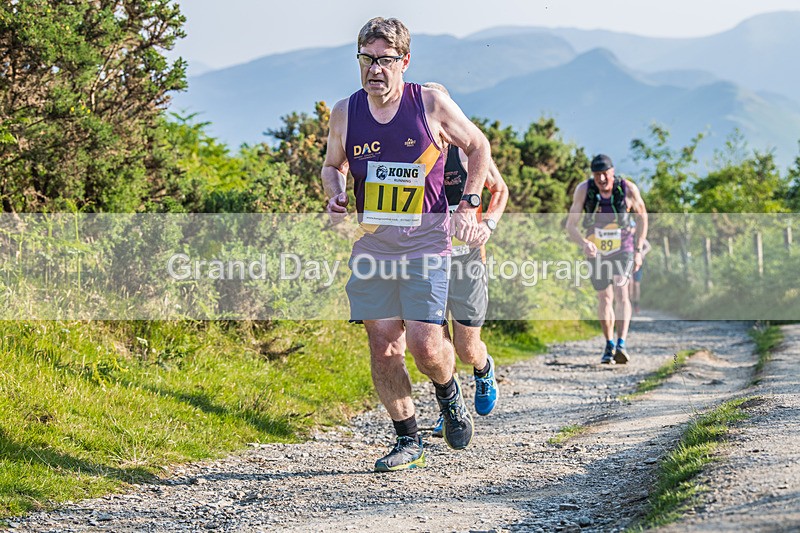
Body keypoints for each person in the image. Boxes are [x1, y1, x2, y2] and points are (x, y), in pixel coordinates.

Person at [321, 17, 492, 472]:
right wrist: (334, 191)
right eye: (367, 59)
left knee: (426, 345)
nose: (375, 69)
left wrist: (470, 204)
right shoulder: (346, 111)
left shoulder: (430, 104)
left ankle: (449, 395)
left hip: (427, 244)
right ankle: (407, 439)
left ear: (404, 62)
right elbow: (331, 164)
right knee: (383, 344)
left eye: (385, 60)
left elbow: (479, 147)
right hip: (375, 245)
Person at [422, 82, 509, 437]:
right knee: (432, 340)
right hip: (426, 260)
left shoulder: (467, 150)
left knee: (466, 347)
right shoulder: (414, 151)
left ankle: (484, 368)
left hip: (467, 260)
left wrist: (487, 224)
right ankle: (449, 405)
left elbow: (499, 190)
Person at [565, 154, 648, 364]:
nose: (601, 179)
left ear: (613, 172)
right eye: (597, 175)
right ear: (592, 175)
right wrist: (584, 243)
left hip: (624, 247)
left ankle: (622, 343)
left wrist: (638, 249)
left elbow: (642, 217)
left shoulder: (628, 188)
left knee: (621, 292)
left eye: (605, 174)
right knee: (604, 297)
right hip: (596, 249)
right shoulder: (584, 190)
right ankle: (609, 343)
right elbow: (571, 225)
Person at [629, 236, 651, 314]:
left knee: (636, 284)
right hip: (627, 262)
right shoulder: (626, 233)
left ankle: (636, 305)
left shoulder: (638, 235)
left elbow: (648, 246)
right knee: (630, 283)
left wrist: (641, 253)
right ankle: (629, 305)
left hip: (637, 262)